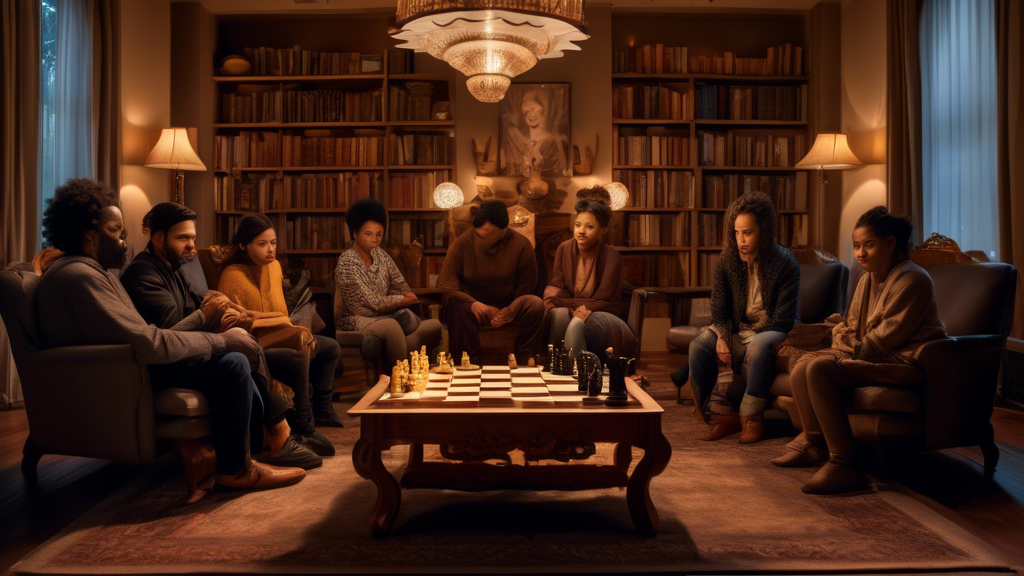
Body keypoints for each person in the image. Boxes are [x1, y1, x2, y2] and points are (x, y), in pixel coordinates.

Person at [35, 179, 305, 493]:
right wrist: (220, 339)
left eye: (123, 233)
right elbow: (149, 342)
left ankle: (254, 445)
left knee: (237, 352)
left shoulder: (90, 272)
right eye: (114, 231)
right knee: (231, 361)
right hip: (125, 375)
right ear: (87, 233)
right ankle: (237, 469)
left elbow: (150, 334)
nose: (124, 242)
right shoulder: (81, 276)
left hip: (127, 368)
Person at [120, 202, 321, 470]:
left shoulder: (173, 266)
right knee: (236, 356)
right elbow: (170, 333)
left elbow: (198, 304)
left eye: (192, 237)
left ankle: (278, 435)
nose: (192, 245)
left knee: (242, 343)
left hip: (187, 352)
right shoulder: (143, 272)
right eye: (183, 238)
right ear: (158, 238)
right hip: (164, 365)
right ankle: (270, 441)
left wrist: (223, 305)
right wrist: (208, 315)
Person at [771, 206, 946, 494]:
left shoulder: (913, 280)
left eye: (869, 245)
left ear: (890, 244)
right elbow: (852, 328)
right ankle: (815, 445)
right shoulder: (867, 278)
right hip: (873, 355)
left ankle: (845, 464)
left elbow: (876, 344)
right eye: (856, 246)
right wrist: (845, 340)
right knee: (803, 363)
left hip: (905, 364)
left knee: (818, 367)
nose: (860, 253)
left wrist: (843, 342)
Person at [217, 214, 341, 457]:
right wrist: (269, 320)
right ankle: (304, 425)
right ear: (244, 245)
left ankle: (323, 410)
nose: (271, 249)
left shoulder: (274, 267)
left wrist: (261, 317)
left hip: (282, 335)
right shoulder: (232, 275)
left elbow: (283, 315)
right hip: (254, 346)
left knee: (330, 348)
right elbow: (237, 327)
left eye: (273, 242)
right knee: (300, 353)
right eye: (262, 244)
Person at [688, 191, 800, 444]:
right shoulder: (728, 260)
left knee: (759, 346)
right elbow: (719, 307)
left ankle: (752, 419)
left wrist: (747, 336)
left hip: (773, 327)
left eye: (747, 232)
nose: (741, 240)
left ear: (764, 229)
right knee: (699, 346)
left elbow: (783, 317)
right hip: (738, 328)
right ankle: (713, 414)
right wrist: (721, 337)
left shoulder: (785, 261)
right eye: (737, 233)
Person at [334, 198, 442, 369]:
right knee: (393, 325)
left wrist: (401, 299)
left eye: (379, 234)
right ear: (355, 233)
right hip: (355, 319)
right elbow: (364, 306)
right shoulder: (347, 261)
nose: (375, 239)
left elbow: (403, 289)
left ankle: (410, 367)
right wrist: (400, 301)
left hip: (384, 316)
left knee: (434, 326)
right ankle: (398, 381)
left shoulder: (381, 255)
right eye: (368, 234)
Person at [437, 199, 544, 364]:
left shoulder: (521, 245)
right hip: (473, 308)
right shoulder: (462, 244)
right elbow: (446, 286)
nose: (478, 239)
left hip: (509, 308)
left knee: (535, 304)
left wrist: (509, 310)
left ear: (502, 232)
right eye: (477, 233)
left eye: (484, 236)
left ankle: (522, 358)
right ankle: (467, 362)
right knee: (456, 306)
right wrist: (473, 304)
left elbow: (528, 287)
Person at [544, 192, 636, 366]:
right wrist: (558, 302)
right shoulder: (564, 249)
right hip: (576, 305)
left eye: (589, 227)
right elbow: (557, 285)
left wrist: (566, 303)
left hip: (603, 311)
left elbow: (603, 299)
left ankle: (587, 369)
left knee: (587, 319)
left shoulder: (612, 256)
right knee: (559, 314)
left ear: (603, 231)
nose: (581, 231)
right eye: (578, 225)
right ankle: (558, 365)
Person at [501, 87, 570, 178]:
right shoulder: (517, 139)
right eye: (527, 111)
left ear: (544, 111)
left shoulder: (553, 143)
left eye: (534, 109)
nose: (530, 115)